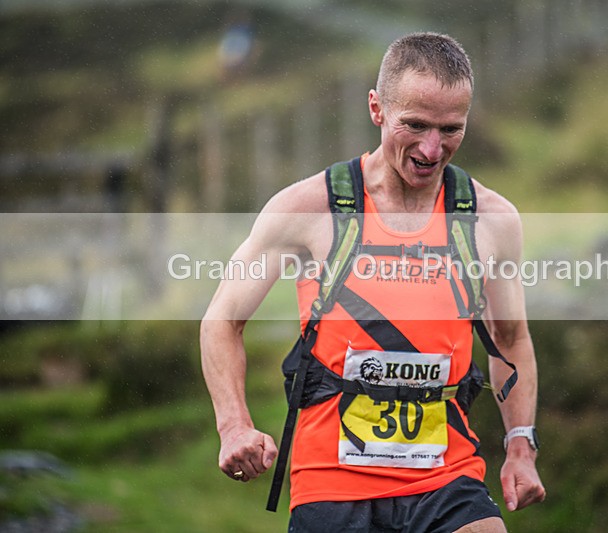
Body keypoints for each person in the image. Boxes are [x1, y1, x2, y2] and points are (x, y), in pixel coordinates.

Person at [200, 32, 545, 532]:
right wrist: (233, 426)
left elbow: (511, 339)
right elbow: (222, 320)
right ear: (376, 108)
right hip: (331, 483)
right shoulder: (307, 209)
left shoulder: (491, 220)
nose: (432, 149)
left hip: (446, 478)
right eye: (416, 125)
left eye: (452, 129)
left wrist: (520, 445)